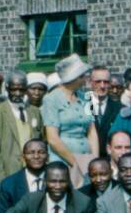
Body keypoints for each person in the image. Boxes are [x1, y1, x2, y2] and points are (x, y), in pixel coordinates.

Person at [40, 54, 99, 186]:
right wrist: (75, 163)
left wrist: (94, 160)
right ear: (73, 78)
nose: (86, 79)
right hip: (62, 159)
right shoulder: (50, 99)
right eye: (82, 76)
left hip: (87, 158)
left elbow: (92, 131)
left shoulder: (89, 97)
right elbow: (52, 139)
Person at [0, 70, 45, 191]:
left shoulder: (34, 111)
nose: (17, 93)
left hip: (33, 173)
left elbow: (41, 141)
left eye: (21, 90)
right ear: (7, 88)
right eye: (14, 89)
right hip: (9, 173)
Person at [0, 138, 50, 213]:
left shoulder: (58, 179)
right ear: (23, 157)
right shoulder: (9, 184)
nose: (36, 156)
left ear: (48, 157)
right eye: (31, 153)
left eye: (41, 152)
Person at [87, 63, 122, 139]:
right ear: (90, 83)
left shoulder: (120, 109)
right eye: (98, 82)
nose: (102, 86)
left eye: (106, 82)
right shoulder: (82, 107)